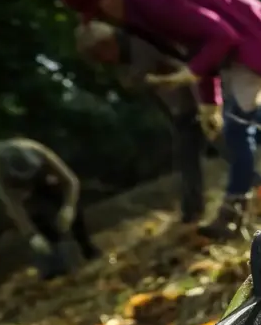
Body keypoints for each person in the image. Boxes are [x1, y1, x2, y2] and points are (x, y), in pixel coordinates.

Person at [55, 0, 261, 239]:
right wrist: (208, 104)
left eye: (99, 9)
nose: (107, 18)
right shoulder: (144, 5)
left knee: (238, 131)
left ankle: (233, 214)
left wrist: (190, 74)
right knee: (250, 127)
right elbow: (199, 48)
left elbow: (221, 36)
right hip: (246, 48)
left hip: (256, 40)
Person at [74, 20, 207, 224]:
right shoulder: (124, 61)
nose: (101, 60)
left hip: (197, 101)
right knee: (187, 157)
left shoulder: (139, 45)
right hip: (179, 109)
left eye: (98, 53)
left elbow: (140, 77)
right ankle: (193, 209)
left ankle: (253, 183)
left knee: (223, 143)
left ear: (106, 44)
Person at [0, 138, 101, 279]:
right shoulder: (0, 169)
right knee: (38, 214)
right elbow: (13, 206)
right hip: (25, 192)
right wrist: (31, 234)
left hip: (47, 181)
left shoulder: (39, 152)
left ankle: (87, 247)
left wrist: (69, 207)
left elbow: (71, 182)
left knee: (62, 198)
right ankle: (54, 262)